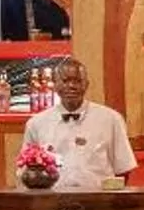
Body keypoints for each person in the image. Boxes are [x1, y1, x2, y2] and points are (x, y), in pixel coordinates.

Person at [21, 58, 137, 186]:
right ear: (55, 84)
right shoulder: (36, 124)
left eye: (77, 81)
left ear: (86, 84)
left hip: (99, 201)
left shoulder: (111, 120)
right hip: (53, 201)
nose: (71, 86)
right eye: (65, 81)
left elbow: (123, 169)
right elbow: (26, 168)